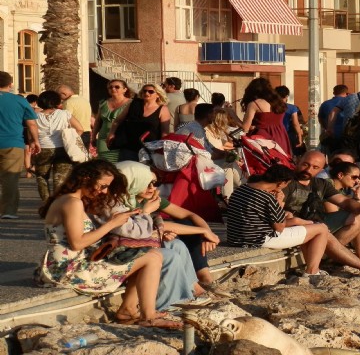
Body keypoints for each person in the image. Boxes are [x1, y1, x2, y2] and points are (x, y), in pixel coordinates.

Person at [35, 160, 181, 329]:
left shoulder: (71, 200)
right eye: (102, 185)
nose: (104, 191)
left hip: (67, 265)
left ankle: (129, 310)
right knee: (153, 257)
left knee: (145, 254)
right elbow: (77, 243)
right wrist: (112, 224)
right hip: (67, 269)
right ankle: (148, 317)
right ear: (86, 178)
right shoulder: (72, 202)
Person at [281, 150, 360, 284]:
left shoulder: (320, 184)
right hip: (296, 224)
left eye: (315, 167)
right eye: (305, 164)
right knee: (321, 229)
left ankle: (328, 257)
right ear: (298, 160)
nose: (308, 169)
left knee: (358, 216)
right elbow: (277, 208)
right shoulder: (286, 181)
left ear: (321, 169)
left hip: (315, 222)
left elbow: (345, 202)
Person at [115, 161, 224, 295]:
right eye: (145, 183)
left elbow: (188, 214)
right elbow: (147, 228)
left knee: (188, 226)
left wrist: (207, 234)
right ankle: (192, 288)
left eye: (155, 183)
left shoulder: (150, 199)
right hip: (126, 247)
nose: (151, 188)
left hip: (144, 239)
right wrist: (204, 231)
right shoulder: (120, 202)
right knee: (178, 241)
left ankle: (204, 277)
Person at [227, 164, 330, 277]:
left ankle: (310, 268)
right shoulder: (267, 197)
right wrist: (279, 203)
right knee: (322, 228)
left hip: (236, 237)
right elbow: (279, 227)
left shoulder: (242, 189)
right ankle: (312, 271)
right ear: (281, 183)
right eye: (286, 184)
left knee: (303, 226)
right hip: (258, 239)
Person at [0, 72, 40, 219]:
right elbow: (31, 123)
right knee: (10, 178)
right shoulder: (19, 101)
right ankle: (8, 211)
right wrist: (35, 141)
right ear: (10, 84)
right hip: (13, 143)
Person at [33, 90, 85, 201]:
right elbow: (80, 129)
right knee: (60, 179)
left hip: (43, 148)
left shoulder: (35, 116)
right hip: (63, 148)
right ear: (57, 102)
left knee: (42, 177)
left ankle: (47, 204)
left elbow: (31, 134)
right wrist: (72, 139)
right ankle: (58, 203)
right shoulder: (64, 114)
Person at [107, 84, 171, 162]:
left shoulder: (163, 109)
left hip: (150, 148)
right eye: (144, 91)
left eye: (151, 92)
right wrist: (111, 133)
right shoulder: (134, 104)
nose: (147, 93)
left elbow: (165, 132)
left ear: (158, 95)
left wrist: (162, 148)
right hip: (129, 146)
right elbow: (118, 120)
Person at [240, 78, 292, 156]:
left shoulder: (255, 104)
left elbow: (245, 128)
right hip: (281, 135)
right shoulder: (279, 102)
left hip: (262, 138)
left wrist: (232, 115)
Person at [92, 79, 133, 163]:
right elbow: (98, 122)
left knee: (120, 165)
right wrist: (93, 136)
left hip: (121, 139)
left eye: (117, 87)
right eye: (110, 87)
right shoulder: (103, 103)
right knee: (104, 164)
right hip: (103, 139)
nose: (113, 89)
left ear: (125, 89)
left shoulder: (131, 103)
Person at [205, 108, 242, 199]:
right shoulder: (207, 131)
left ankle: (237, 189)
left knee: (230, 164)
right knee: (228, 165)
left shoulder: (216, 131)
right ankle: (229, 196)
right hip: (212, 161)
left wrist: (227, 133)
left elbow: (227, 143)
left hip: (219, 159)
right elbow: (215, 150)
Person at [57, 85, 92, 149]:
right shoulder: (84, 100)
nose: (60, 98)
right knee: (84, 156)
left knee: (73, 156)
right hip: (87, 132)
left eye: (60, 96)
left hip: (76, 133)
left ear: (64, 94)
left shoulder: (68, 102)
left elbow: (66, 119)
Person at [275, 85, 305, 156]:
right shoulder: (292, 108)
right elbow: (295, 123)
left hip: (275, 134)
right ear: (286, 96)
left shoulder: (270, 107)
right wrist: (299, 136)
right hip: (288, 135)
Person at [319, 84, 349, 153]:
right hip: (346, 135)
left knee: (332, 156)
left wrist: (326, 127)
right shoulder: (348, 102)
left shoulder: (325, 104)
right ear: (346, 93)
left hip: (331, 135)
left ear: (334, 93)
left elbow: (321, 118)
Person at [23, 94, 41, 178]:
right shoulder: (36, 110)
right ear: (34, 102)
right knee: (35, 150)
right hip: (32, 131)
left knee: (27, 152)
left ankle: (28, 172)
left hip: (23, 130)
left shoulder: (22, 108)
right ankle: (33, 167)